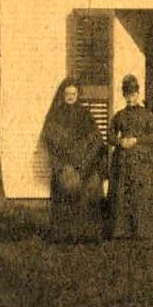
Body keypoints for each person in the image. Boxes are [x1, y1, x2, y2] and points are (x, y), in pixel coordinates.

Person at [39, 78, 107, 241]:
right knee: (67, 184)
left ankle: (87, 234)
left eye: (73, 93)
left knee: (91, 185)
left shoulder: (85, 115)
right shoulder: (55, 116)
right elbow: (50, 143)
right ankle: (64, 234)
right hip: (64, 165)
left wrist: (84, 164)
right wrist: (64, 165)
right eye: (67, 93)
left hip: (85, 164)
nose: (70, 96)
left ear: (78, 95)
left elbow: (96, 141)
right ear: (63, 95)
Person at [108, 72, 153, 240]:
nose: (130, 98)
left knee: (141, 193)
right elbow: (109, 136)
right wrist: (120, 142)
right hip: (123, 160)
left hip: (141, 160)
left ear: (138, 94)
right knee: (122, 193)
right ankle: (121, 230)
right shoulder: (119, 116)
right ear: (123, 95)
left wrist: (137, 140)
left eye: (133, 94)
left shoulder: (147, 115)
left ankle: (143, 230)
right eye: (127, 95)